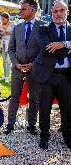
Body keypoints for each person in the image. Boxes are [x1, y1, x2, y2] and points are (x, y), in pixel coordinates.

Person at [32, 0, 71, 149]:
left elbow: (57, 47)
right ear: (51, 13)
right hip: (47, 76)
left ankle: (67, 136)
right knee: (45, 109)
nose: (58, 14)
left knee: (67, 108)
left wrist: (64, 44)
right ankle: (44, 137)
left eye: (62, 10)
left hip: (67, 76)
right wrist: (68, 45)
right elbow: (47, 48)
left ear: (67, 12)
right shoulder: (44, 28)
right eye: (55, 11)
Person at [5, 0, 44, 135]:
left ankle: (31, 124)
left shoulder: (43, 27)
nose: (20, 11)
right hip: (17, 69)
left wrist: (34, 64)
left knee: (34, 98)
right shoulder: (17, 28)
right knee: (14, 97)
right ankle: (10, 123)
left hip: (35, 70)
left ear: (32, 10)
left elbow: (44, 50)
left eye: (23, 9)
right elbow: (11, 49)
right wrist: (16, 64)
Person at [0, 12, 15, 83]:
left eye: (3, 19)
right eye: (1, 19)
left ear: (7, 18)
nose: (2, 20)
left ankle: (7, 77)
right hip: (2, 44)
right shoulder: (1, 25)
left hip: (10, 45)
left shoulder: (12, 24)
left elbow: (14, 32)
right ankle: (5, 75)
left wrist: (5, 33)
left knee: (8, 61)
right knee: (4, 61)